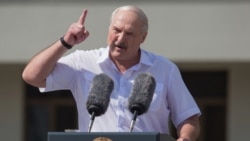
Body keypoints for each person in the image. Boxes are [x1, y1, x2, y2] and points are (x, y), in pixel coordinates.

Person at [22, 5, 201, 141]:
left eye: (129, 33)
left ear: (143, 37)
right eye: (116, 30)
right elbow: (32, 76)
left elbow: (188, 118)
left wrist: (185, 138)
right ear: (109, 29)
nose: (120, 38)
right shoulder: (83, 62)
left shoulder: (164, 69)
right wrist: (65, 42)